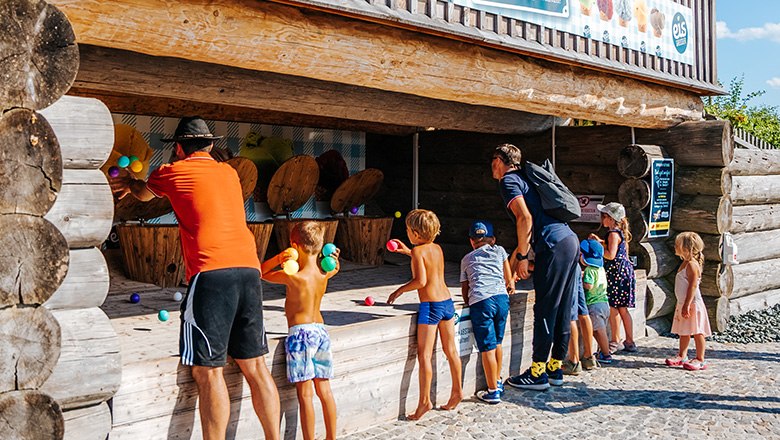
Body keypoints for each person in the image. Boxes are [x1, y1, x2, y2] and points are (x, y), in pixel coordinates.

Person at [109, 117, 280, 440]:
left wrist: (132, 183)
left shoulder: (170, 172)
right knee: (256, 366)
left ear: (177, 148)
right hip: (249, 268)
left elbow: (145, 195)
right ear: (211, 145)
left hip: (211, 272)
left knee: (208, 370)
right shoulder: (229, 173)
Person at [491, 144, 580, 391]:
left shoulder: (509, 182)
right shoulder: (527, 178)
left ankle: (538, 372)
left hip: (553, 244)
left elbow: (525, 218)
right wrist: (518, 263)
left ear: (499, 160)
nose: (491, 166)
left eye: (492, 161)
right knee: (563, 307)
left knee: (546, 307)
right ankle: (555, 368)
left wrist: (521, 256)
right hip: (569, 241)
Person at [261, 221, 340, 439]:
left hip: (301, 335)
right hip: (321, 332)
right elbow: (336, 266)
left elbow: (261, 272)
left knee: (305, 394)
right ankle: (331, 437)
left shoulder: (293, 276)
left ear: (293, 246)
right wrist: (332, 258)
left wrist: (279, 259)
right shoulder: (326, 273)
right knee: (324, 390)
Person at [387, 209, 463, 419]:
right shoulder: (436, 248)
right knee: (451, 351)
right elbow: (426, 259)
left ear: (416, 234)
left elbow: (421, 281)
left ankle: (424, 401)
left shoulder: (419, 252)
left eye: (408, 231)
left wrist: (399, 290)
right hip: (447, 302)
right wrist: (406, 252)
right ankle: (457, 391)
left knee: (424, 355)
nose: (407, 235)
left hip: (430, 307)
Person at [459, 221, 514, 404]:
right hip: (501, 298)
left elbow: (465, 289)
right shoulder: (499, 251)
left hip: (482, 301)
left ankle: (492, 392)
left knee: (487, 347)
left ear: (471, 241)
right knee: (498, 342)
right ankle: (497, 381)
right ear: (493, 239)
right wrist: (510, 285)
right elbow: (508, 277)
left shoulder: (466, 259)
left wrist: (468, 303)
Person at [590, 202, 637, 354]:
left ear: (610, 218)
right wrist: (601, 242)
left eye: (603, 216)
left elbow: (610, 254)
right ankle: (629, 340)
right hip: (624, 273)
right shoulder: (618, 233)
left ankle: (615, 341)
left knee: (614, 308)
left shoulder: (612, 234)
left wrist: (597, 247)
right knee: (623, 309)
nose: (601, 219)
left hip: (616, 274)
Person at [665, 232, 711, 371]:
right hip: (683, 303)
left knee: (697, 331)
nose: (675, 246)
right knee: (683, 330)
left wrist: (687, 304)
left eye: (677, 245)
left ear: (686, 248)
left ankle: (700, 358)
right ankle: (682, 355)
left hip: (692, 303)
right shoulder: (685, 262)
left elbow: (693, 286)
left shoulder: (692, 265)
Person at [580, 238, 613, 365]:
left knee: (599, 330)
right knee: (599, 329)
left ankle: (606, 354)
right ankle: (602, 352)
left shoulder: (589, 270)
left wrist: (581, 282)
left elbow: (589, 285)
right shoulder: (600, 269)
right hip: (604, 303)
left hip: (594, 305)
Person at [563, 271, 596, 374]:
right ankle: (589, 357)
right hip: (575, 265)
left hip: (567, 266)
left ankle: (574, 362)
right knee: (582, 311)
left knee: (570, 315)